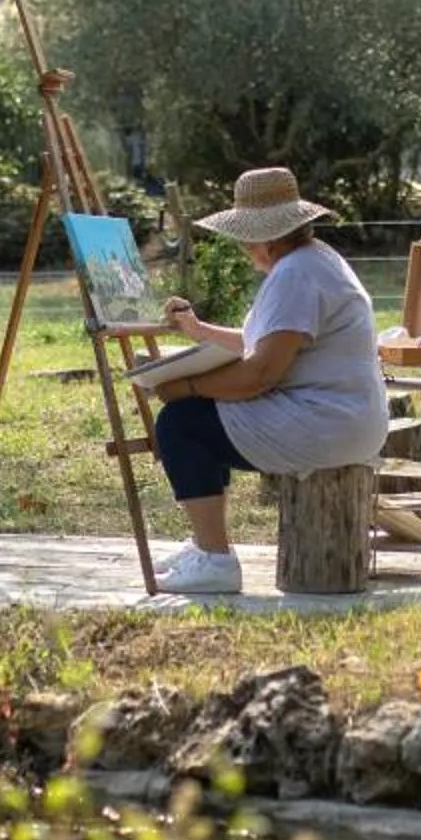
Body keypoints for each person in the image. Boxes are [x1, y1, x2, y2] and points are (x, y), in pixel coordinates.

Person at [145, 166, 387, 596]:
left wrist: (186, 386)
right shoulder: (315, 260)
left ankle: (216, 561)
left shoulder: (296, 273)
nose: (241, 247)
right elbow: (264, 342)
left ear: (263, 236)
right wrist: (199, 331)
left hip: (325, 424)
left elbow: (260, 373)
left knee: (181, 422)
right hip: (341, 417)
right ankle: (207, 547)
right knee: (201, 417)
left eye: (243, 236)